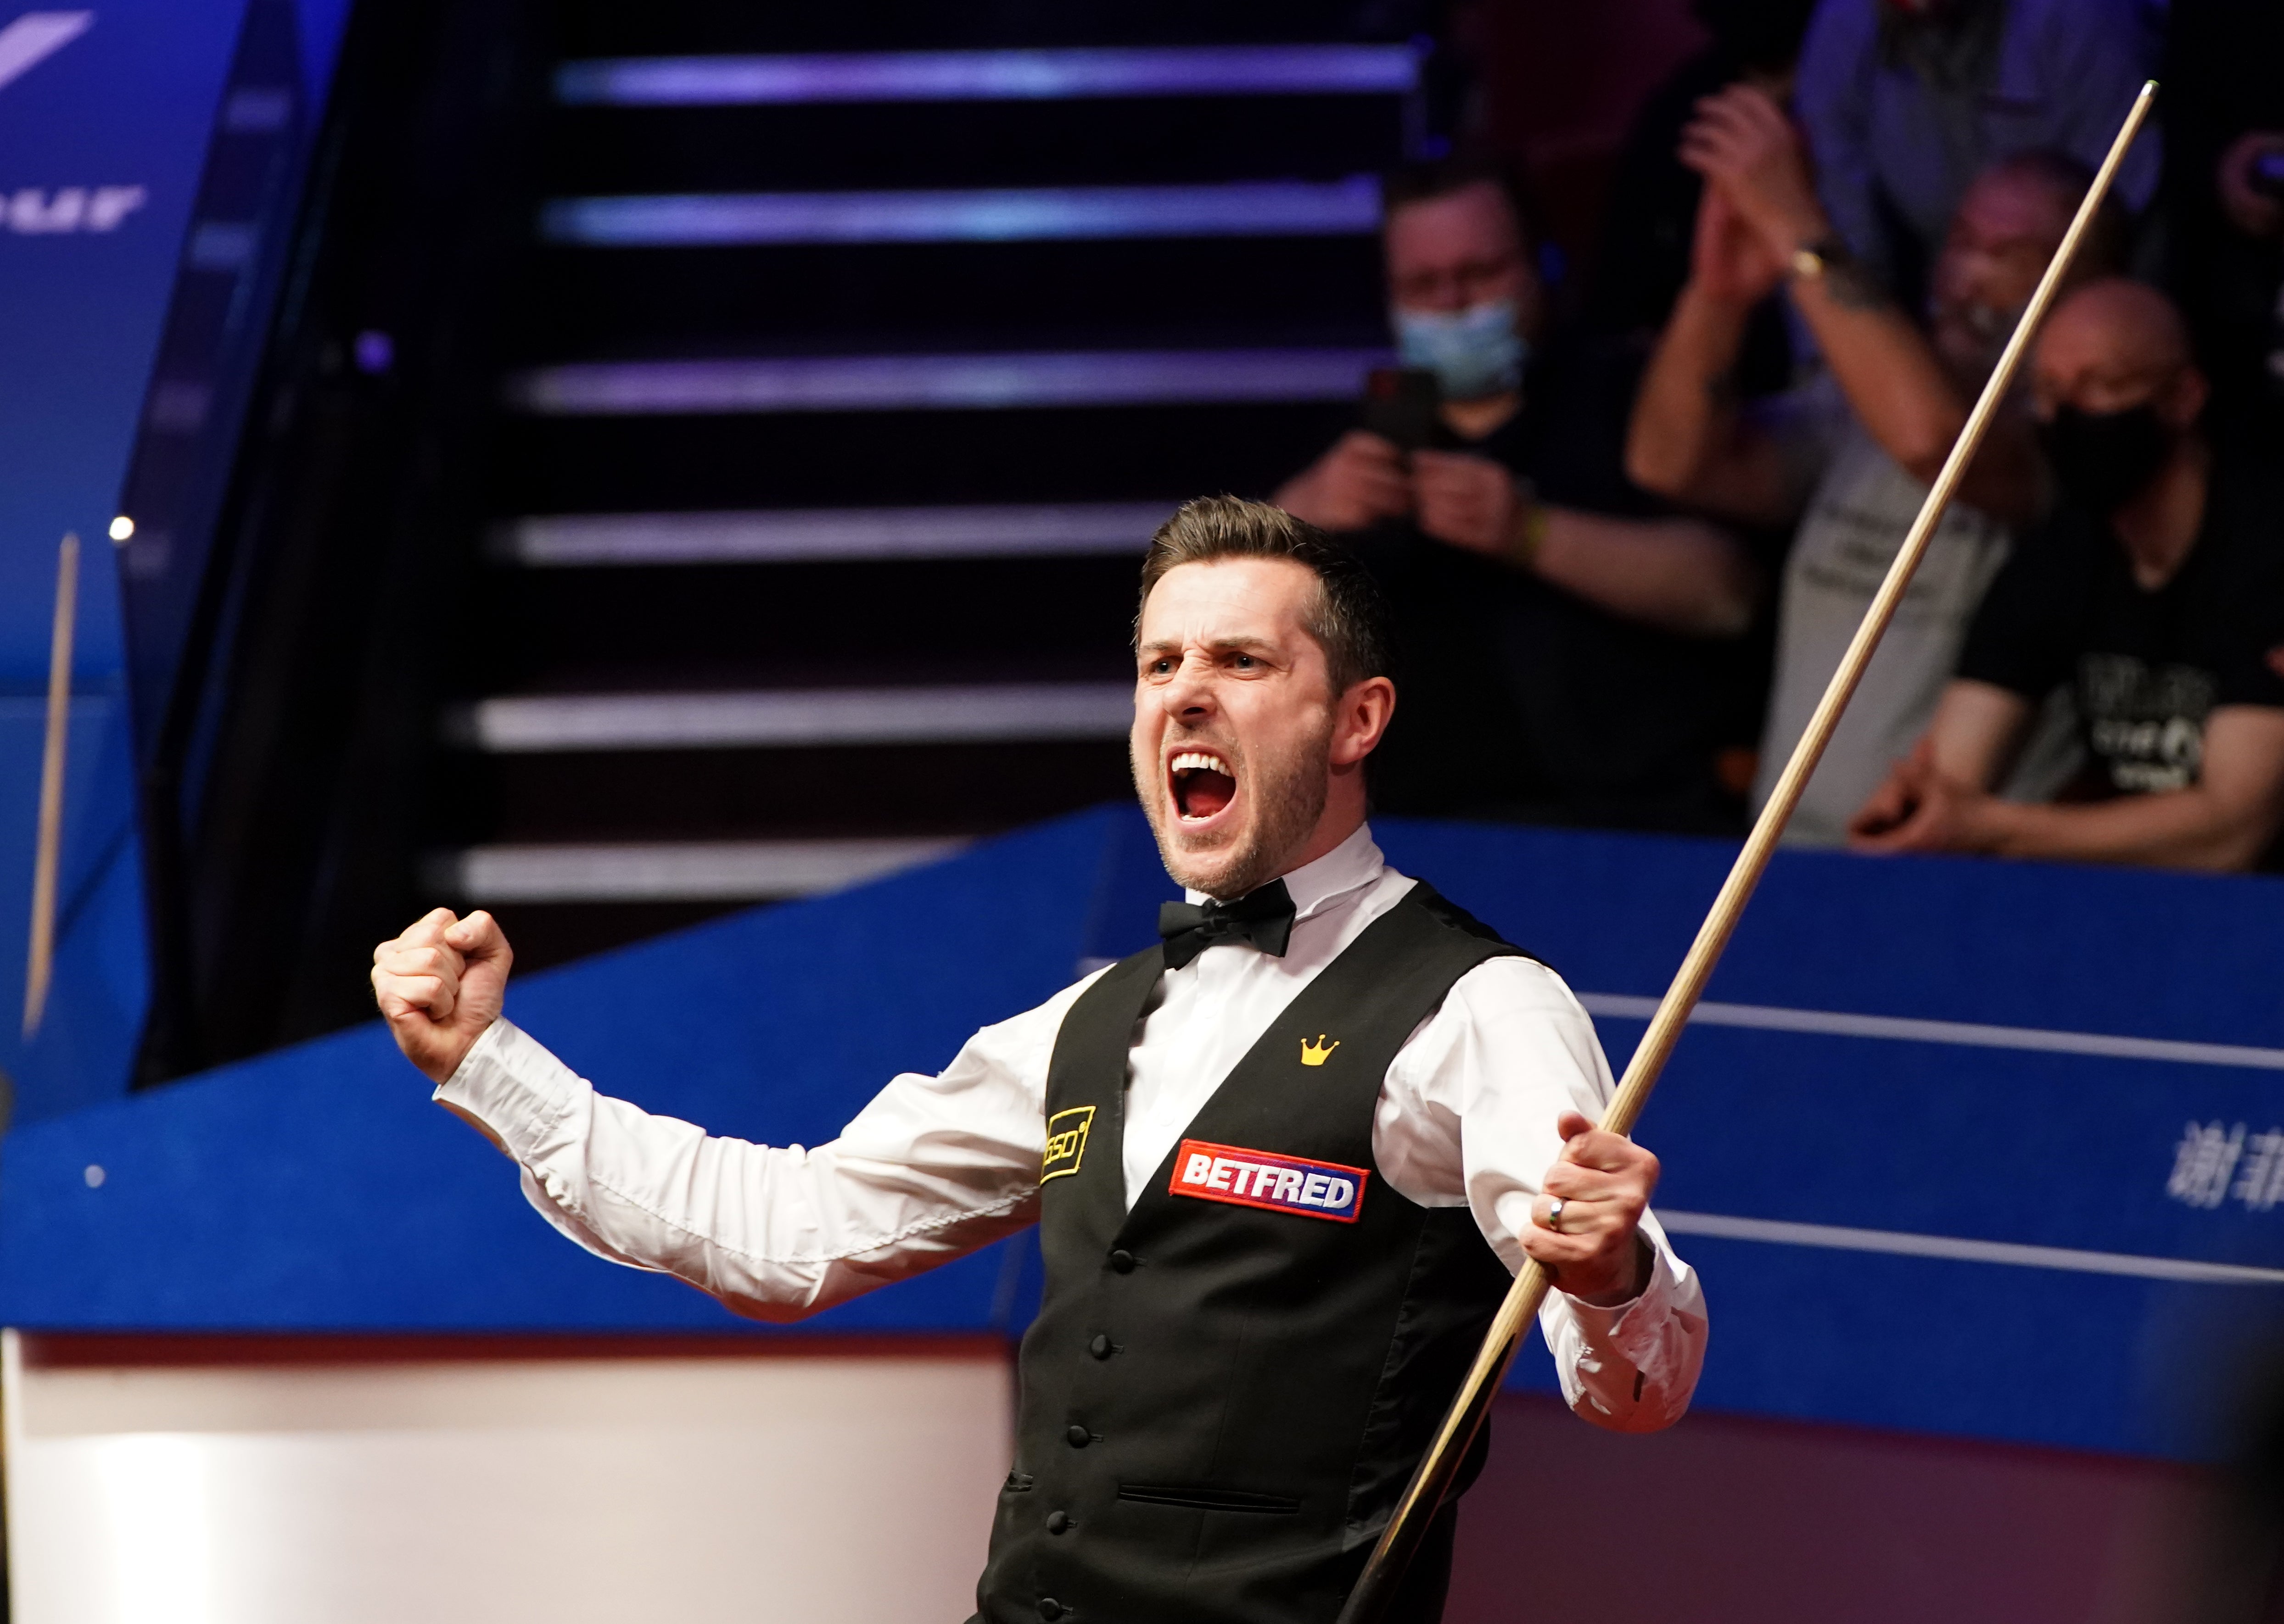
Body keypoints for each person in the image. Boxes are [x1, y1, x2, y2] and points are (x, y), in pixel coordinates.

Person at [371, 497, 1708, 1624]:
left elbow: (1637, 1389)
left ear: (1355, 719)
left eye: (1239, 662)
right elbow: (783, 1234)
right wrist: (487, 1062)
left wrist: (1607, 1272)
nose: (1183, 692)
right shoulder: (1080, 1028)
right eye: (1156, 664)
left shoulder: (1476, 1006)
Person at [1628, 96, 2126, 844]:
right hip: (1783, 854)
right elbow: (1668, 463)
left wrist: (1800, 227)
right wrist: (1718, 296)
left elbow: (1936, 445)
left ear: (2087, 287)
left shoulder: (2066, 441)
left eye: (2013, 256)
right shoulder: (1850, 406)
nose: (1967, 276)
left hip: (1946, 867)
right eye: (1963, 240)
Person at [1275, 161, 1766, 833]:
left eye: (1481, 274)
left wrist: (1531, 533)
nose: (1453, 302)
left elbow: (1728, 594)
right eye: (1424, 285)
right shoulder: (1357, 441)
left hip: (1636, 820)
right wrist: (1293, 522)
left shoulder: (1631, 397)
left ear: (1541, 265)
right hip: (1422, 839)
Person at [1849, 280, 2284, 869]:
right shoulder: (2061, 552)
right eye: (2048, 392)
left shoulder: (2263, 549)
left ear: (2182, 396)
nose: (2066, 415)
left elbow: (2229, 833)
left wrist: (1991, 828)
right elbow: (1953, 772)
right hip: (2116, 905)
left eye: (2100, 386)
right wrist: (1913, 811)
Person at [1792, 0, 2159, 309]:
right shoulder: (1844, 28)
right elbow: (1843, 241)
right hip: (1937, 329)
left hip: (2070, 314)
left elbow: (2122, 238)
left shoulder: (2082, 20)